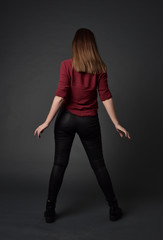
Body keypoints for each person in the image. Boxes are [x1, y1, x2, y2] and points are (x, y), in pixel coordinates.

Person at [34, 28, 131, 224]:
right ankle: (113, 208)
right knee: (99, 166)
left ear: (75, 46)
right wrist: (116, 123)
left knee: (59, 164)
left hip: (66, 120)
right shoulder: (100, 68)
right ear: (92, 46)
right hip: (89, 122)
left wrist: (47, 121)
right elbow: (105, 96)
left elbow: (61, 95)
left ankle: (49, 209)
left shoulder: (66, 65)